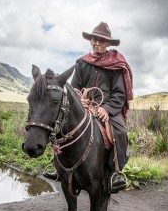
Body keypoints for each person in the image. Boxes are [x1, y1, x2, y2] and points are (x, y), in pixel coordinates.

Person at [43, 22, 133, 193]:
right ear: (90, 41)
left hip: (107, 108)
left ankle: (116, 172)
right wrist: (80, 100)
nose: (96, 43)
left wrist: (105, 108)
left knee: (119, 132)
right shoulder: (83, 63)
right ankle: (58, 167)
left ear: (108, 44)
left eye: (101, 40)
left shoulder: (116, 64)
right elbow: (75, 87)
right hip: (84, 105)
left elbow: (120, 94)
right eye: (94, 39)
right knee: (62, 125)